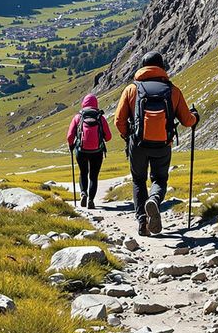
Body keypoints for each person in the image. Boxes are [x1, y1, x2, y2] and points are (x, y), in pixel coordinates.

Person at [113, 51, 198, 237]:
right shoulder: (173, 90)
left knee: (138, 180)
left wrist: (129, 136)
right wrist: (195, 117)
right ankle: (154, 199)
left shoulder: (131, 89)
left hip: (138, 144)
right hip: (162, 145)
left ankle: (143, 222)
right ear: (162, 67)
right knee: (159, 179)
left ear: (143, 67)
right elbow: (187, 121)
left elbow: (118, 120)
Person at [67, 93, 111, 208]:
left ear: (83, 103)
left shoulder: (78, 117)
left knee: (83, 172)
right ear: (95, 103)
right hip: (97, 151)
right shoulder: (100, 117)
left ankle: (83, 193)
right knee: (93, 176)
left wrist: (71, 145)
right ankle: (91, 200)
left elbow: (70, 136)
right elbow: (109, 137)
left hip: (81, 150)